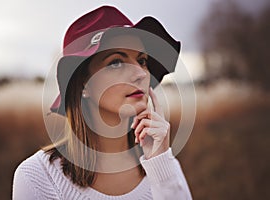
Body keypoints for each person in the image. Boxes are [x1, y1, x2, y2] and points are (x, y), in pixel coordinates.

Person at [13, 5, 192, 200]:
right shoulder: (39, 176)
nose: (141, 74)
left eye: (142, 61)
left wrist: (160, 166)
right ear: (83, 84)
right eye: (116, 62)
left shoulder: (165, 164)